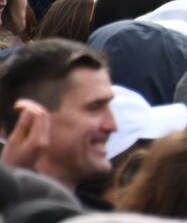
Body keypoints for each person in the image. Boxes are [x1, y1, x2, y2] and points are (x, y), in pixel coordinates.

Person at [0, 40, 115, 194]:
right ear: (29, 118)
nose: (113, 125)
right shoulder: (15, 215)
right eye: (94, 107)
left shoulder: (104, 214)